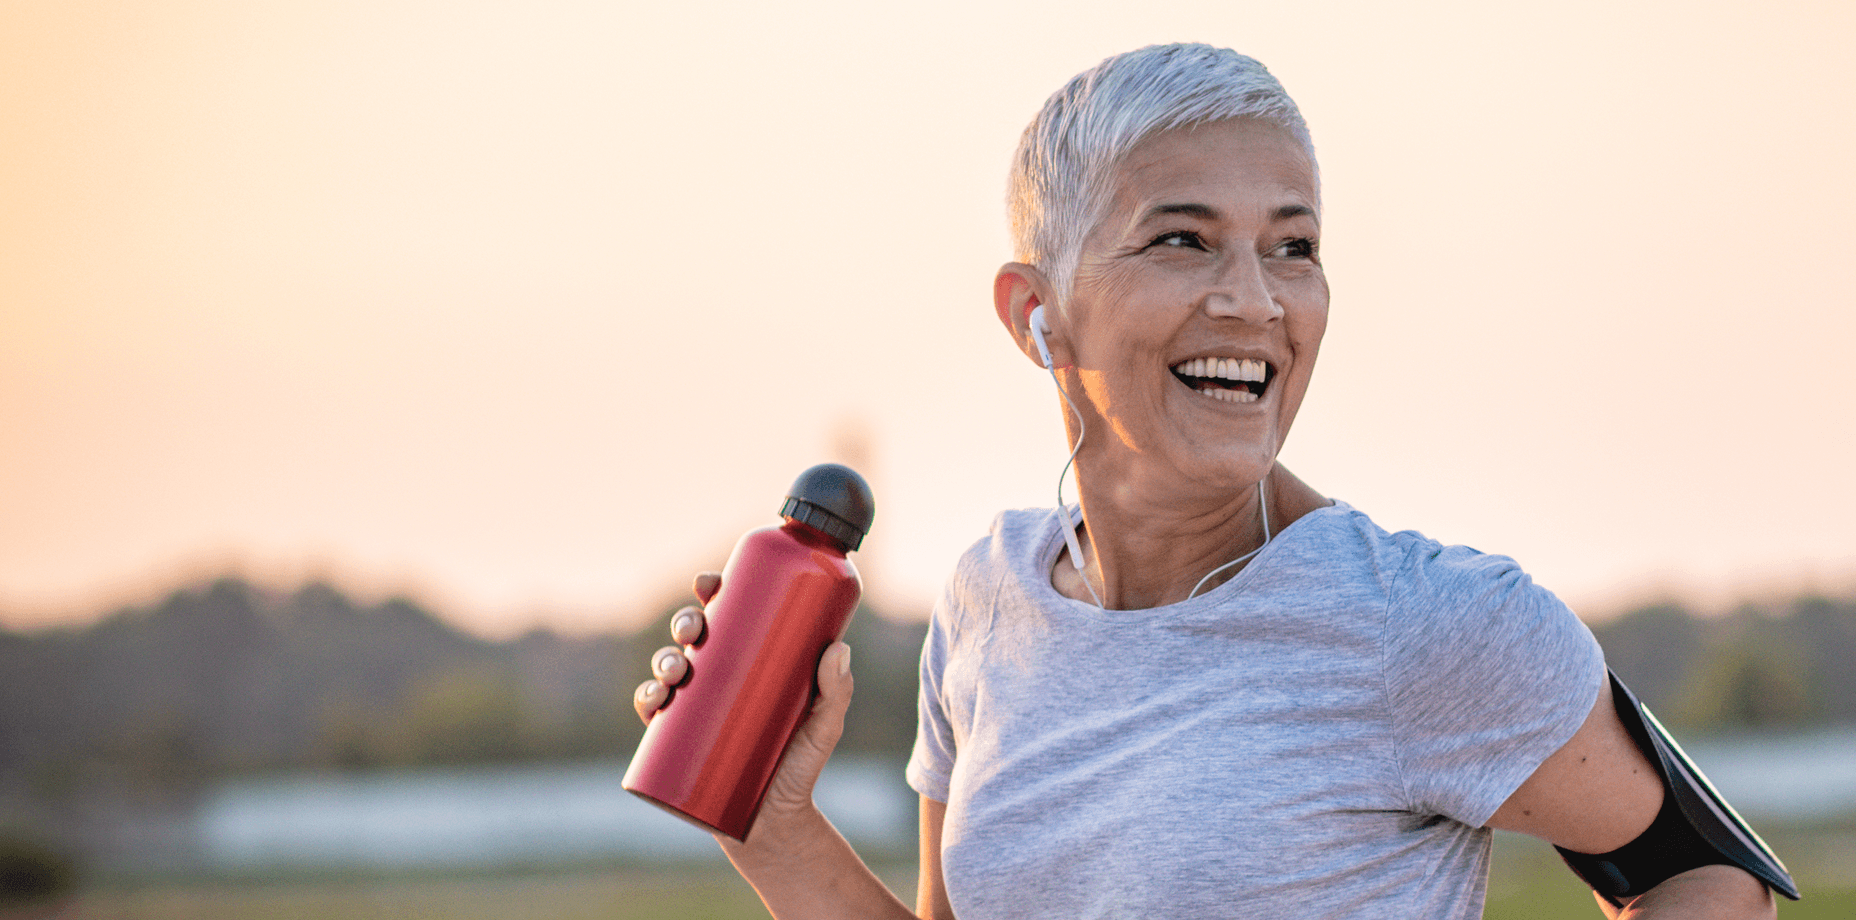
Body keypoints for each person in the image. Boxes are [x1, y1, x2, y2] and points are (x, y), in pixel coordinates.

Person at [633, 43, 1782, 919]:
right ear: (1036, 311)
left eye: (1294, 246)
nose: (1255, 299)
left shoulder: (1428, 621)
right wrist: (775, 826)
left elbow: (1707, 873)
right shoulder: (991, 599)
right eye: (1183, 240)